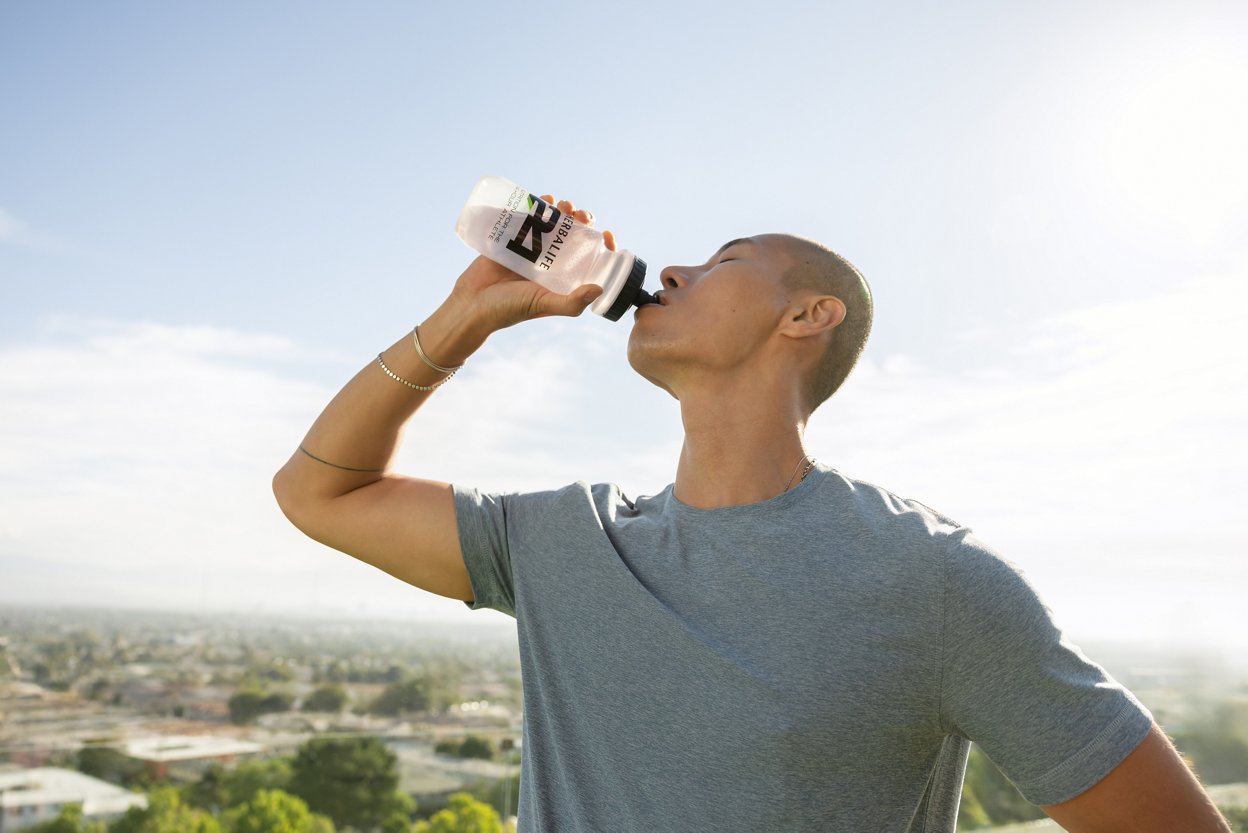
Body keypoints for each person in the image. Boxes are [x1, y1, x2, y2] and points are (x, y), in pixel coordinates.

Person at [273, 195, 1232, 832]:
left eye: (724, 260)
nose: (673, 273)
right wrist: (466, 317)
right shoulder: (564, 543)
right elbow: (318, 491)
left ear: (808, 316)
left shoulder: (931, 581)